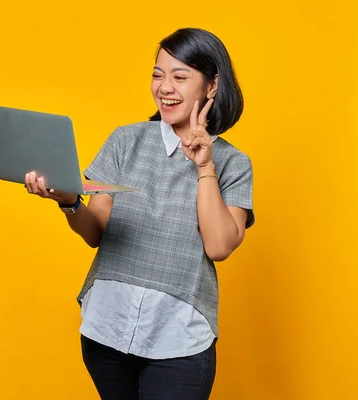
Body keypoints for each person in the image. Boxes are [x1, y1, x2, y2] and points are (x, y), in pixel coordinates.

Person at [24, 27, 254, 400]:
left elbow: (219, 245)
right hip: (107, 329)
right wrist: (68, 201)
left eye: (180, 77)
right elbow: (95, 230)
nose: (164, 87)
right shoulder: (124, 141)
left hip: (178, 339)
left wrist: (204, 168)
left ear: (212, 87)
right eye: (157, 74)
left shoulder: (233, 163)